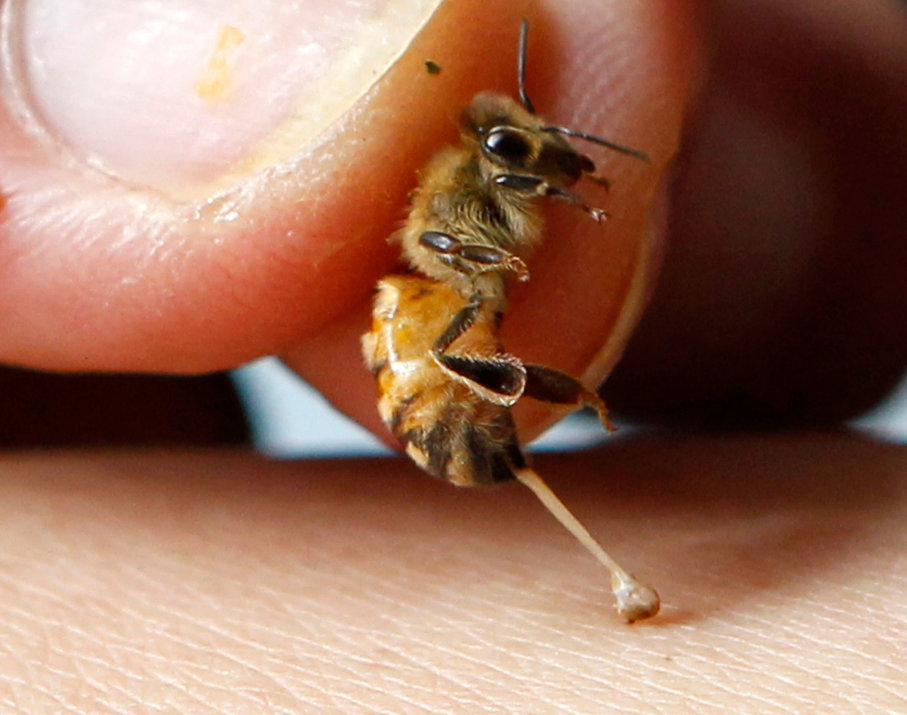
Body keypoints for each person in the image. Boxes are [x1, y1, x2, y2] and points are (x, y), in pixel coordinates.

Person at [1, 0, 905, 709]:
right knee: (493, 389)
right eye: (523, 157)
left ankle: (566, 425)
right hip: (424, 339)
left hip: (438, 331)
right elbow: (450, 234)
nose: (544, 167)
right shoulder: (458, 197)